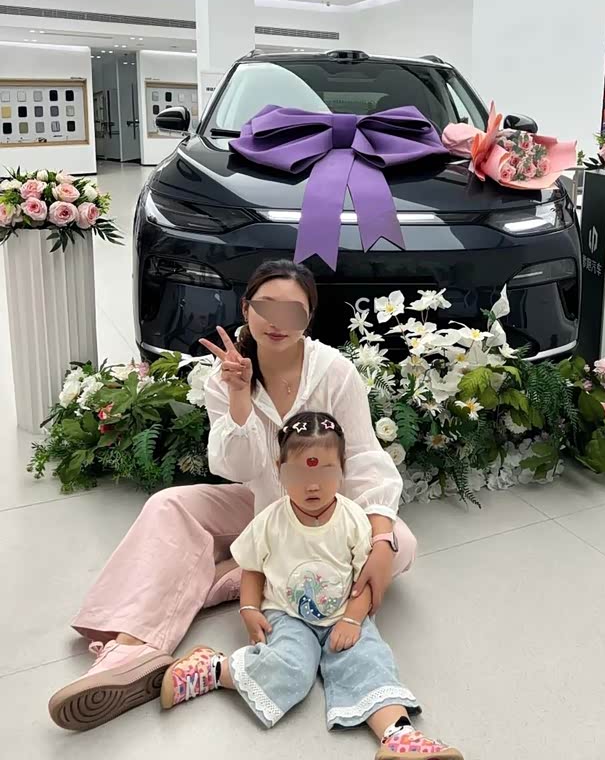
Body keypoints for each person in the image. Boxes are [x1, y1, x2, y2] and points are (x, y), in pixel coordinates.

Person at [48, 260, 416, 732]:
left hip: (329, 517)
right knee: (168, 505)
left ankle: (236, 572)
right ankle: (133, 647)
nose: (277, 322)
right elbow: (236, 469)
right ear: (245, 308)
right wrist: (240, 395)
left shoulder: (334, 372)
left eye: (292, 311)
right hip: (262, 508)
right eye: (266, 307)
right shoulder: (222, 376)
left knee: (403, 541)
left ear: (309, 318)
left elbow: (363, 458)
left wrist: (380, 539)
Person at [160, 413, 462, 760]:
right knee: (291, 667)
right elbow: (252, 568)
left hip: (344, 612)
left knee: (369, 659)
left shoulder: (353, 520)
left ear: (342, 470)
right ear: (280, 470)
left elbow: (365, 579)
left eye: (325, 473)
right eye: (300, 474)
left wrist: (352, 619)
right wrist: (249, 608)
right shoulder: (270, 521)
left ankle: (398, 735)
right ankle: (213, 668)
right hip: (287, 614)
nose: (313, 486)